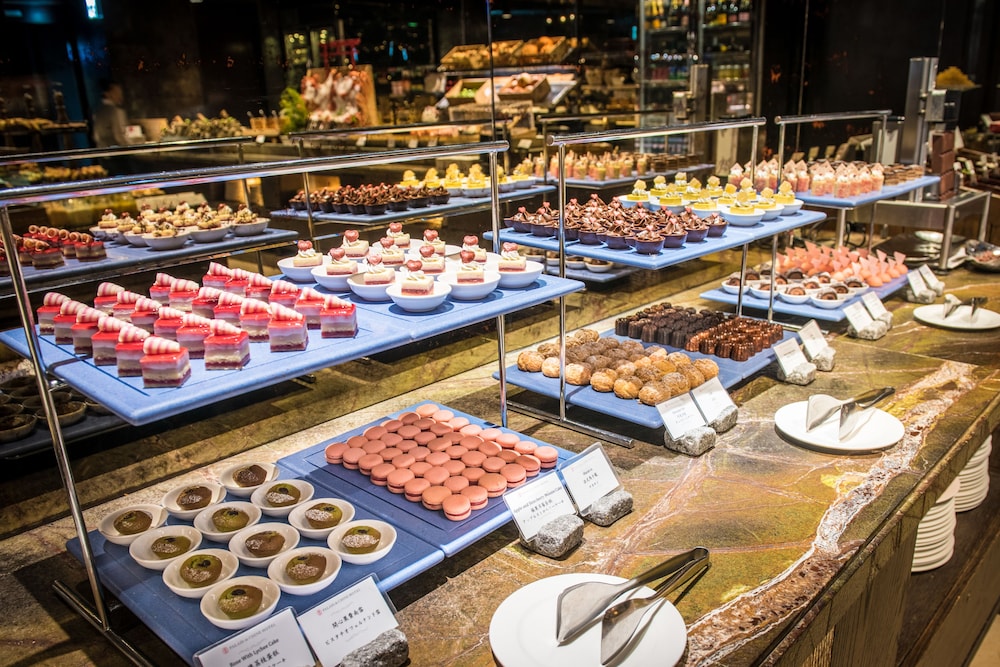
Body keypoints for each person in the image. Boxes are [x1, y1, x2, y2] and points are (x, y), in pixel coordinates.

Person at [92, 80, 129, 148]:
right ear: (107, 94)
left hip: (103, 151)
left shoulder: (97, 112)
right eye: (116, 92)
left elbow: (96, 136)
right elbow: (119, 137)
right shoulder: (117, 112)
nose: (120, 95)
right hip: (118, 151)